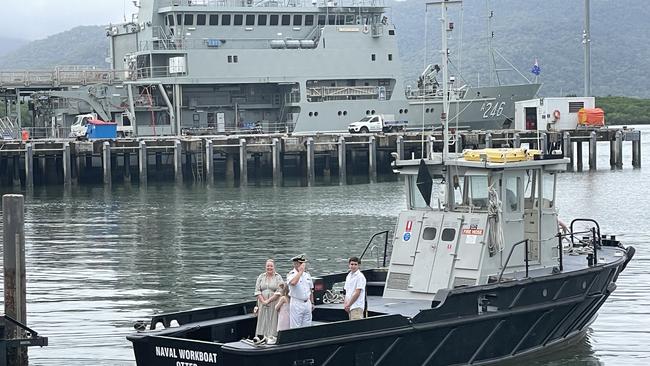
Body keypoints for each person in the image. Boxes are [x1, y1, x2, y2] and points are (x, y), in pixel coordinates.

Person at [254, 259, 284, 340]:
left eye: (271, 266)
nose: (269, 267)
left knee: (273, 319)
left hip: (274, 302)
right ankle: (260, 336)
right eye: (268, 266)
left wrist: (268, 300)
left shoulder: (278, 277)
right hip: (262, 302)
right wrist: (263, 301)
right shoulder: (261, 277)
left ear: (274, 267)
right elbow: (257, 290)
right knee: (262, 319)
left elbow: (280, 291)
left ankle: (272, 337)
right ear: (265, 267)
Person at [286, 254, 314, 328]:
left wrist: (312, 302)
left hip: (307, 302)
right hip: (296, 303)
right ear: (295, 264)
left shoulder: (307, 275)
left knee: (307, 325)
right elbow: (293, 283)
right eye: (301, 263)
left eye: (303, 263)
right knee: (296, 326)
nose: (303, 265)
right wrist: (300, 272)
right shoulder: (291, 274)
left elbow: (311, 289)